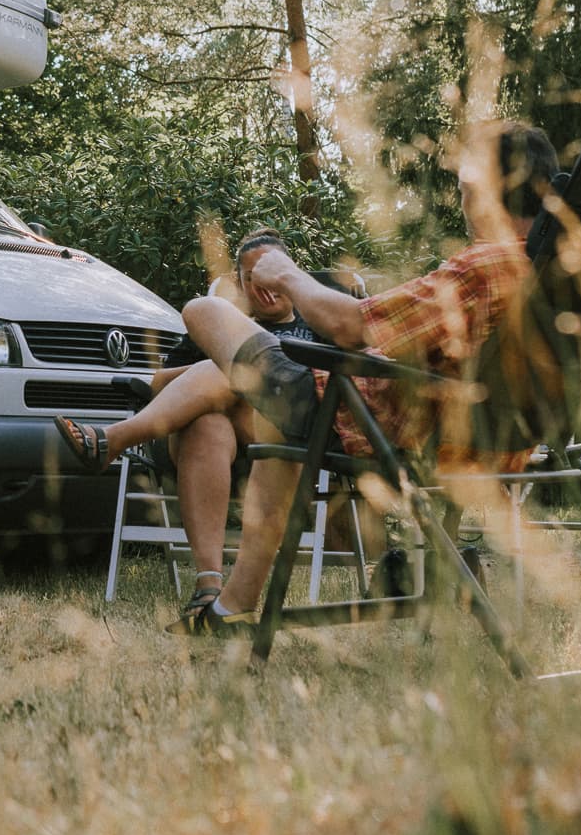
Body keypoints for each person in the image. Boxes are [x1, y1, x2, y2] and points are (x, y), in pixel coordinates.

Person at [136, 121, 558, 637]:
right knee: (280, 431)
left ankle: (226, 599)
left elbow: (351, 327)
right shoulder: (558, 275)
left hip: (382, 429)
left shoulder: (484, 266)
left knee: (204, 310)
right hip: (494, 450)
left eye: (467, 182)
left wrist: (287, 272)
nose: (461, 192)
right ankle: (232, 608)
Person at [48, 230, 338, 628]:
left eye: (269, 275)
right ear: (240, 283)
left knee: (236, 367)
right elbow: (156, 381)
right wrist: (223, 362)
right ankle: (209, 586)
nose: (263, 288)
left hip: (280, 439)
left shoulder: (315, 326)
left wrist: (238, 364)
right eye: (251, 278)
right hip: (204, 445)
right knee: (208, 422)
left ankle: (115, 438)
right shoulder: (223, 325)